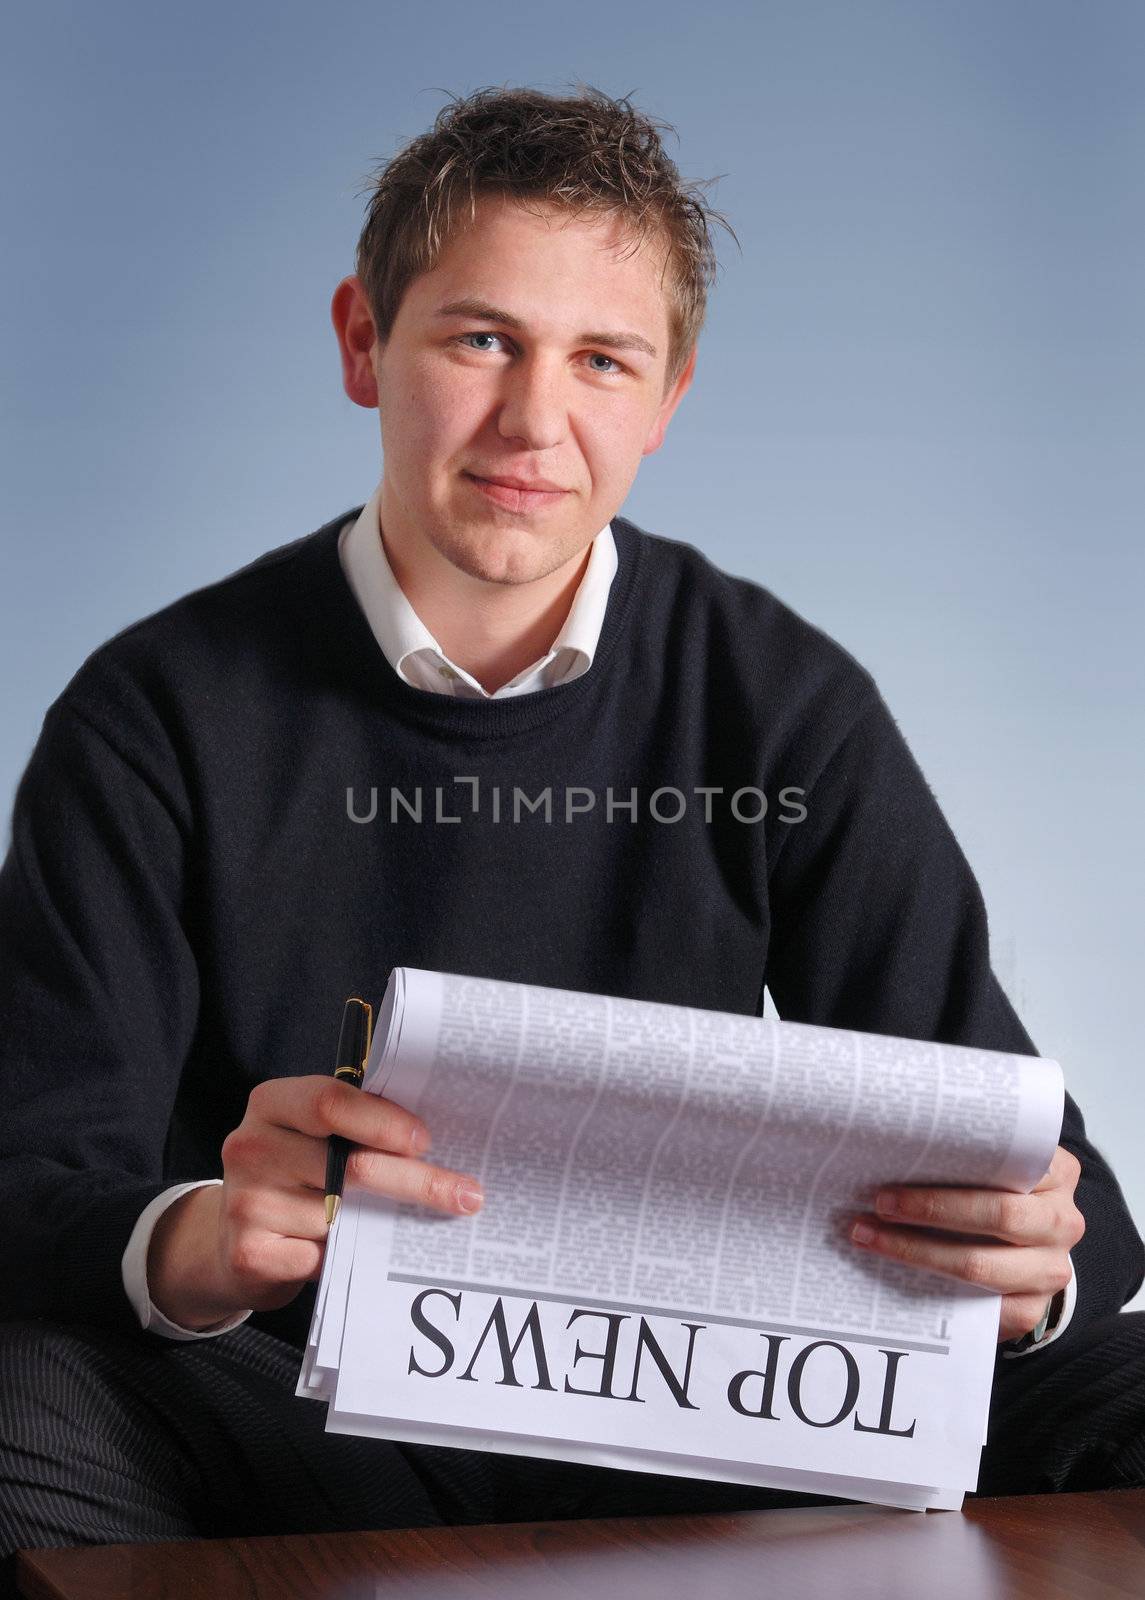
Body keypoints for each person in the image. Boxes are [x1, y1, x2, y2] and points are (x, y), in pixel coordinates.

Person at [0, 84, 1142, 1577]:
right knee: (21, 1404)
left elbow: (1075, 1211)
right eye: (480, 339)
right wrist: (199, 1241)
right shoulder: (155, 711)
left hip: (721, 1429)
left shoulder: (777, 697)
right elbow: (31, 1183)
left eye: (601, 358)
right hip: (306, 1424)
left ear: (665, 401)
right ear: (365, 341)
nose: (534, 420)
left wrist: (1030, 1268)